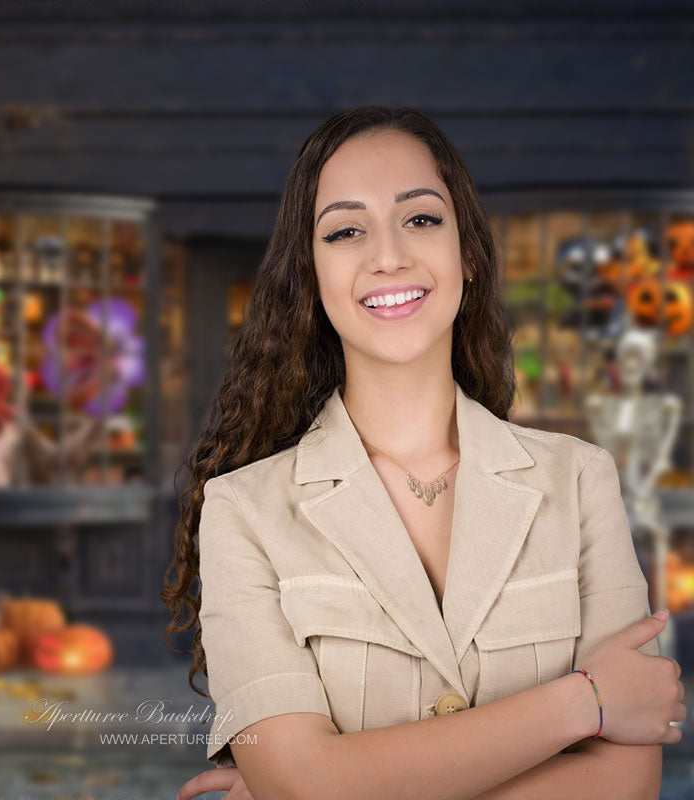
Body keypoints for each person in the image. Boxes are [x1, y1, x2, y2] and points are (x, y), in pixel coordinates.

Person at [163, 105, 686, 800]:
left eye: (420, 218)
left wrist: (334, 783)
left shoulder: (580, 479)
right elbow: (302, 783)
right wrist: (584, 701)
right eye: (346, 231)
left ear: (466, 254)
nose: (388, 256)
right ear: (311, 276)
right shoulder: (242, 510)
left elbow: (627, 784)